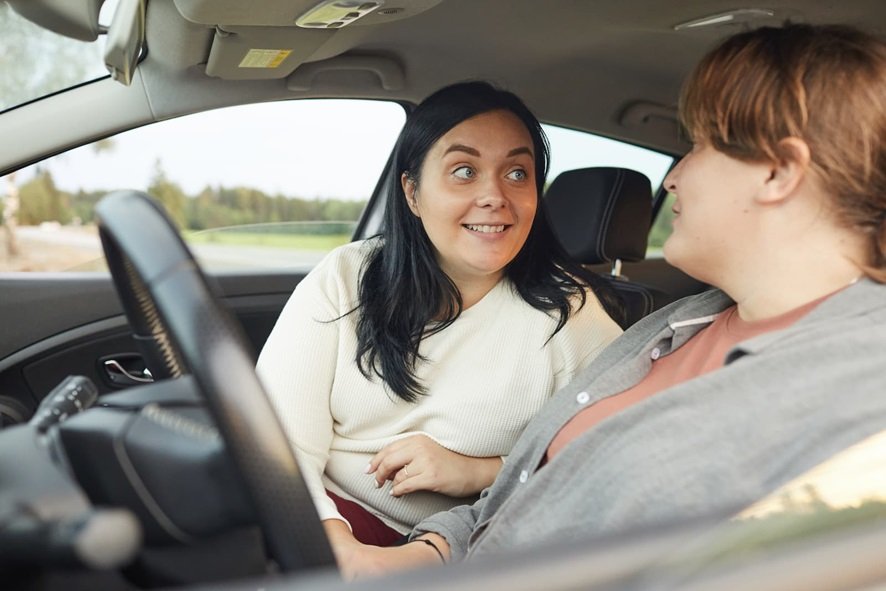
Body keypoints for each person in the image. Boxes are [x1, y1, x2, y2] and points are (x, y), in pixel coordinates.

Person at [339, 23, 886, 577]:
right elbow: (528, 490)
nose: (673, 178)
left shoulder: (859, 394)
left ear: (778, 171)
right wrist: (419, 557)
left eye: (697, 146)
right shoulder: (679, 324)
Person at [256, 82, 624, 556]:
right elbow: (277, 440)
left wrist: (483, 470)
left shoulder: (571, 316)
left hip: (447, 552)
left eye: (517, 173)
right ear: (412, 192)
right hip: (311, 514)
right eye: (464, 171)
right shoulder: (346, 278)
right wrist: (335, 546)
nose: (494, 196)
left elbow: (613, 452)